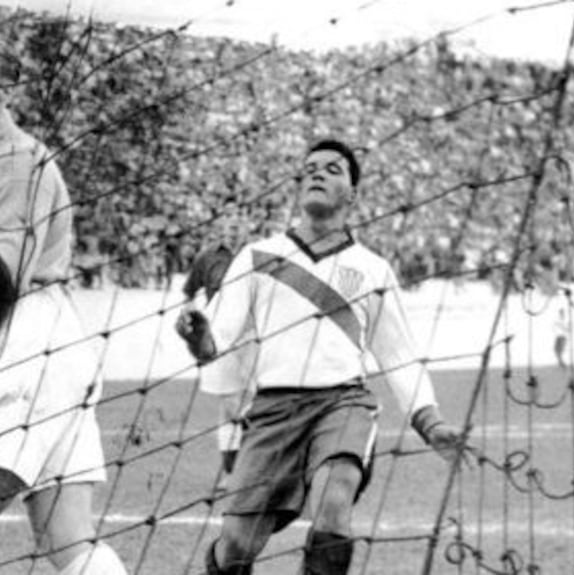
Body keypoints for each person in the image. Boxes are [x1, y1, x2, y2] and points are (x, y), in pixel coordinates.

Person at [176, 139, 472, 575]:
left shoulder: (373, 269)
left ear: (353, 193)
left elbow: (400, 357)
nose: (317, 173)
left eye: (332, 169)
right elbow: (215, 338)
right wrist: (197, 337)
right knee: (236, 547)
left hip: (342, 403)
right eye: (310, 168)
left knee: (334, 502)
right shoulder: (257, 256)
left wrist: (429, 422)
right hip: (271, 414)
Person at [0, 17, 127, 575]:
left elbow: (1, 275)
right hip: (47, 342)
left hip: (24, 335)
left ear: (5, 90)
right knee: (65, 534)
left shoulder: (17, 161)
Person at [181, 209, 253, 495]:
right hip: (220, 336)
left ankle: (257, 466)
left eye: (238, 224)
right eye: (229, 224)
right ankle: (231, 474)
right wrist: (189, 316)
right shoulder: (207, 257)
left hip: (255, 334)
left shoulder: (259, 255)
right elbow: (189, 292)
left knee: (262, 402)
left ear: (247, 227)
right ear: (222, 228)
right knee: (229, 407)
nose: (233, 229)